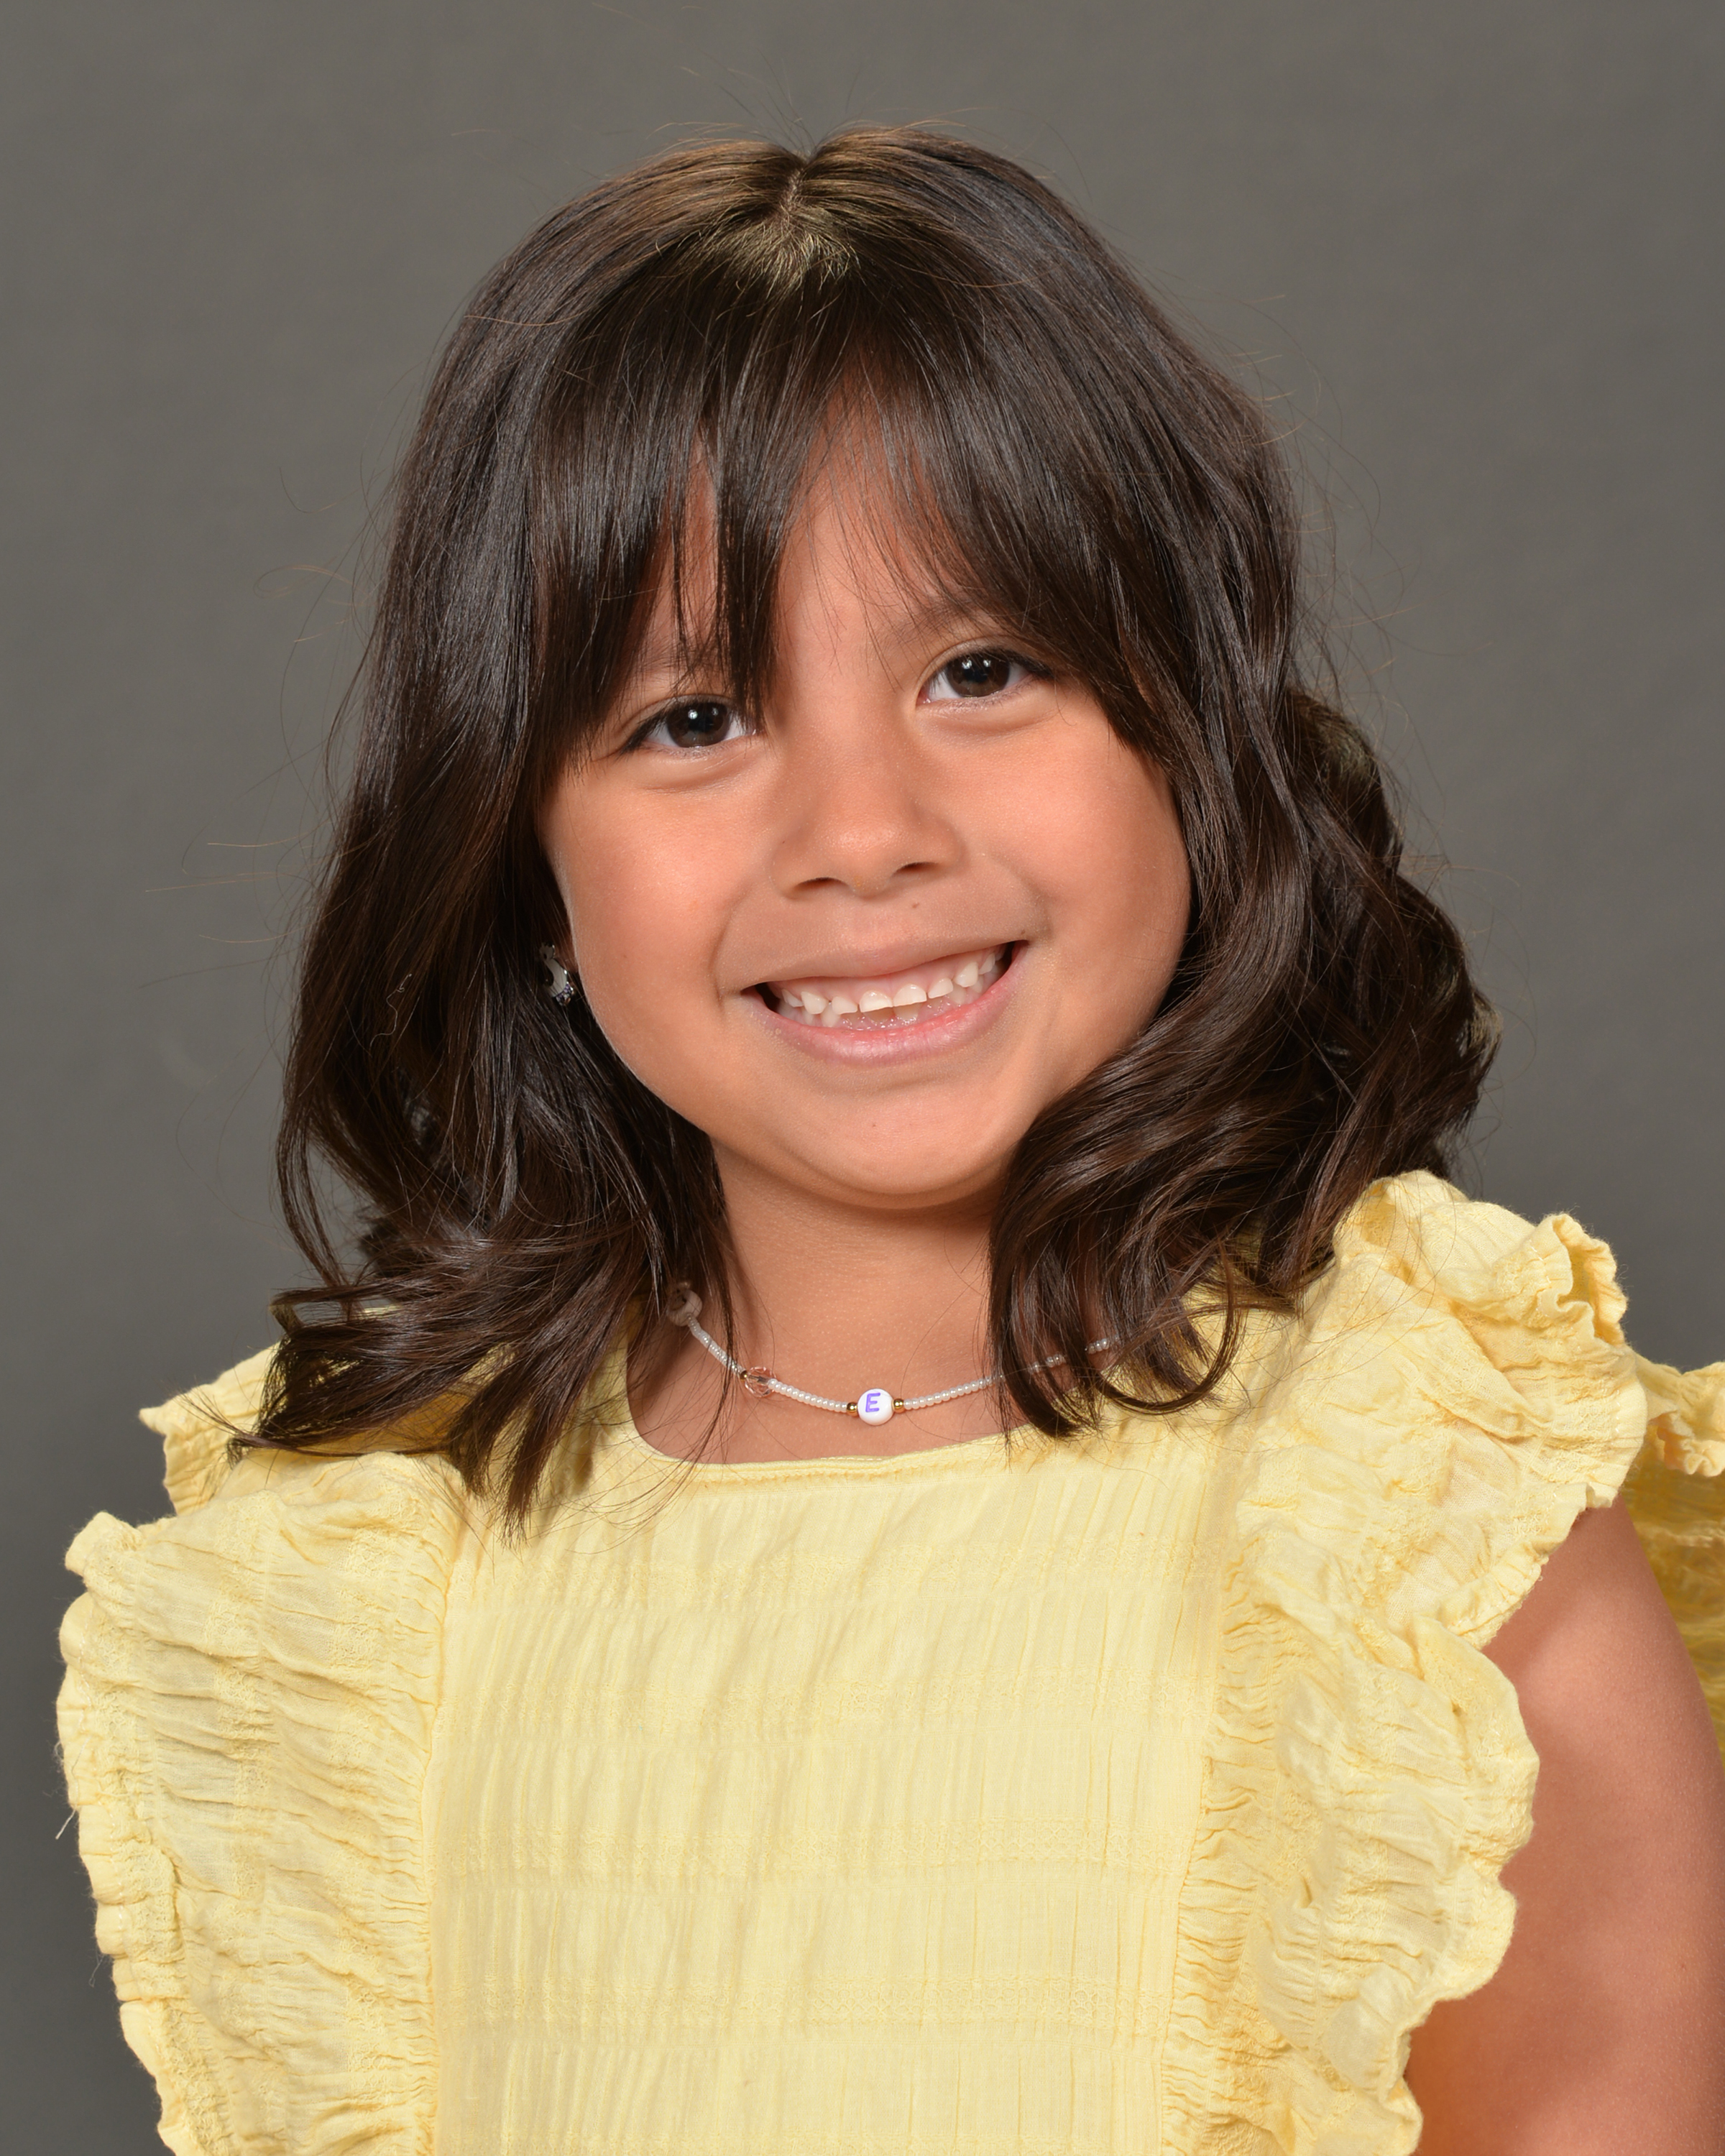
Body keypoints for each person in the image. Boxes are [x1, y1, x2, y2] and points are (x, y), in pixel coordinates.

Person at [58, 127, 1725, 2155]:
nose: (863, 835)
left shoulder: (1419, 1528)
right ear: (522, 860)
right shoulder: (382, 1581)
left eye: (981, 670)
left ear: (1191, 748)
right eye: (692, 720)